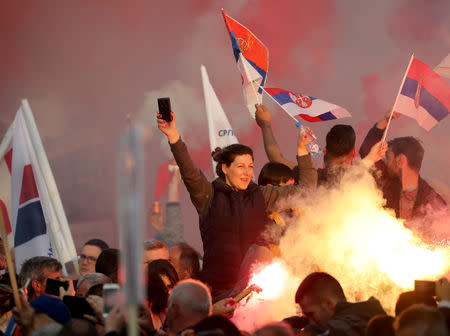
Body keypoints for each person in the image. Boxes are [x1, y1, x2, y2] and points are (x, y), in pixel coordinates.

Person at [157, 110, 317, 299]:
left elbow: (305, 192)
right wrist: (174, 137)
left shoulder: (261, 195)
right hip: (221, 294)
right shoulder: (208, 195)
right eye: (240, 167)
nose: (247, 173)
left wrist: (302, 150)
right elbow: (189, 172)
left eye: (250, 167)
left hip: (258, 292)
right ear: (225, 168)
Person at [359, 111, 446, 220]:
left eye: (389, 159)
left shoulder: (434, 202)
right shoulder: (388, 182)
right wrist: (385, 119)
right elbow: (367, 152)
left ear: (400, 160)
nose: (386, 163)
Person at [255, 104, 367, 187]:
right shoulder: (362, 182)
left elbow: (277, 159)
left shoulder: (308, 175)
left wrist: (265, 125)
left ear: (325, 150)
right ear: (353, 152)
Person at [295, 272, 386, 336]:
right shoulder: (361, 315)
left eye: (311, 314)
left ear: (328, 304)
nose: (311, 322)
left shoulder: (354, 324)